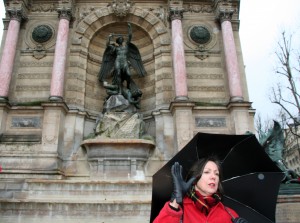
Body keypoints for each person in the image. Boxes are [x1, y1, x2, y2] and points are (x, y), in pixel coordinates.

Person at [153, 156, 248, 223]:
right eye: (207, 172)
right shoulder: (180, 210)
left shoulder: (230, 214)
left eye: (216, 174)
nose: (213, 177)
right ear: (194, 179)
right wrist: (175, 203)